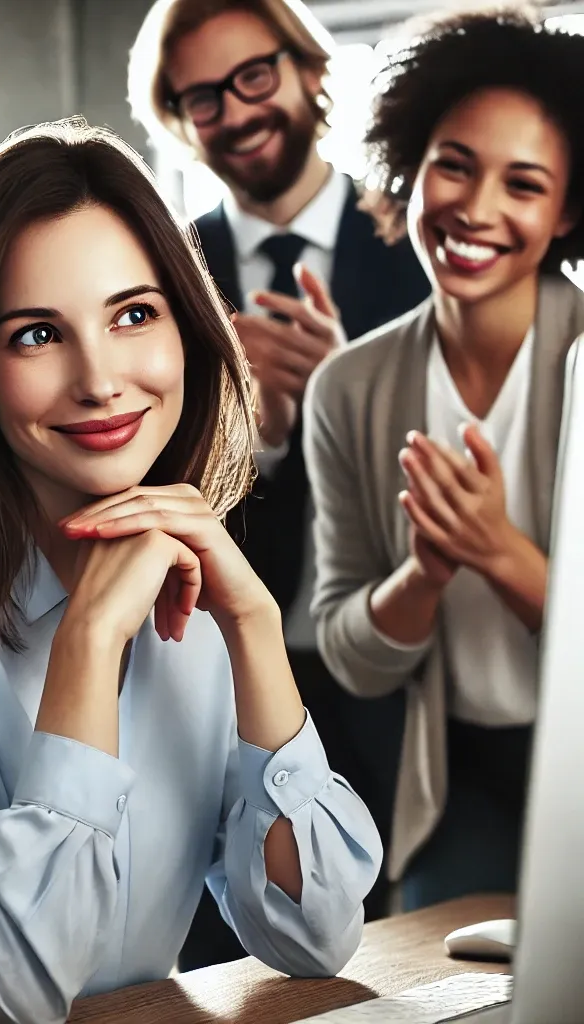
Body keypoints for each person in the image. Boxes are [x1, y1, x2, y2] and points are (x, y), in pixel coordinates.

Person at [0, 119, 381, 1024]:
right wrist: (91, 639)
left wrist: (254, 627)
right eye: (35, 335)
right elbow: (11, 981)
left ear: (185, 329)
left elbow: (313, 934)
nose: (100, 380)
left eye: (134, 315)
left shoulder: (190, 565)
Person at [127, 0, 429, 964]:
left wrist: (343, 405)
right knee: (232, 963)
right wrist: (247, 441)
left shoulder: (423, 241)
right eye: (201, 97)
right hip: (211, 673)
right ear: (179, 119)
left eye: (253, 75)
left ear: (306, 70)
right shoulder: (160, 271)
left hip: (398, 687)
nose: (236, 110)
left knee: (406, 961)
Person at [305, 6, 584, 912]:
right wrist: (422, 574)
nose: (476, 207)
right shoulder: (349, 388)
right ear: (411, 166)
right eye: (453, 165)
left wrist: (499, 552)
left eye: (525, 184)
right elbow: (353, 654)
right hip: (453, 777)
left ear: (568, 210)